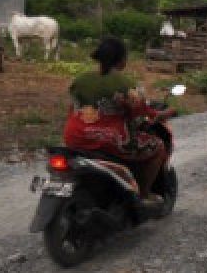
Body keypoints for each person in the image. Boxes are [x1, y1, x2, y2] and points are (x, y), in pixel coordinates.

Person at [63, 37, 174, 206]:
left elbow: (72, 108)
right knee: (157, 146)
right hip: (110, 141)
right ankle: (144, 194)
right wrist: (167, 113)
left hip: (74, 137)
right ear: (121, 60)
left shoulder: (79, 80)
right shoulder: (125, 84)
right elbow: (143, 115)